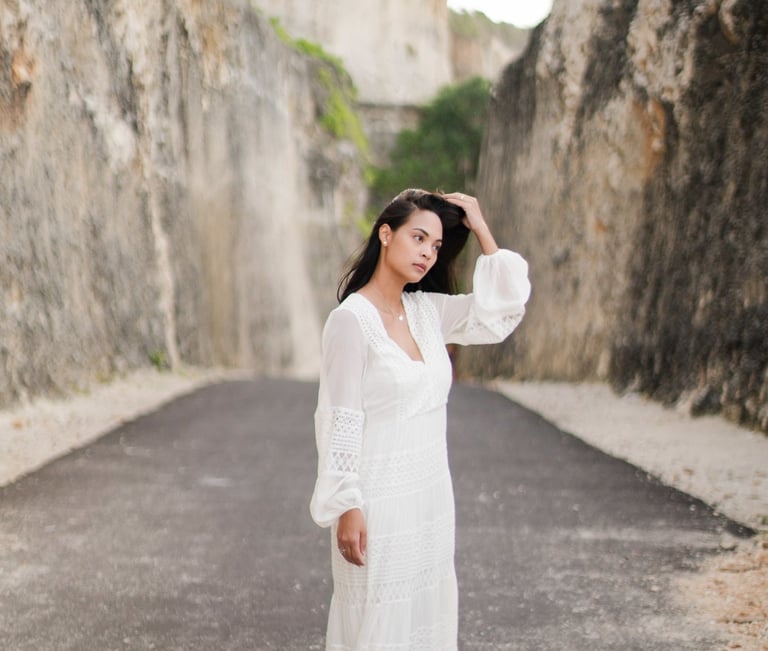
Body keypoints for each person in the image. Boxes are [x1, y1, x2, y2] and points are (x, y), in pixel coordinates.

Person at [309, 189, 531, 649]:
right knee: (377, 623)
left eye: (436, 244)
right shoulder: (350, 321)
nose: (428, 252)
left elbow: (503, 311)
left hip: (430, 500)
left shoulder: (429, 312)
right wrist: (347, 506)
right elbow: (339, 418)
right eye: (419, 238)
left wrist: (480, 227)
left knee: (423, 620)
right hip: (378, 502)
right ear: (385, 234)